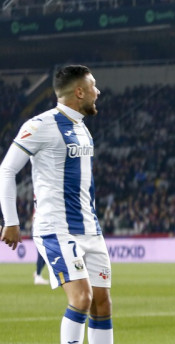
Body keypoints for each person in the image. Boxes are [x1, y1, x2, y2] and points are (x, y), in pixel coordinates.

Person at [0, 65, 114, 343]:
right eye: (93, 87)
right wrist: (11, 220)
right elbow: (6, 170)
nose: (97, 92)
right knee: (82, 298)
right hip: (56, 228)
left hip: (90, 228)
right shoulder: (40, 125)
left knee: (102, 303)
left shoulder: (82, 129)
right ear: (79, 91)